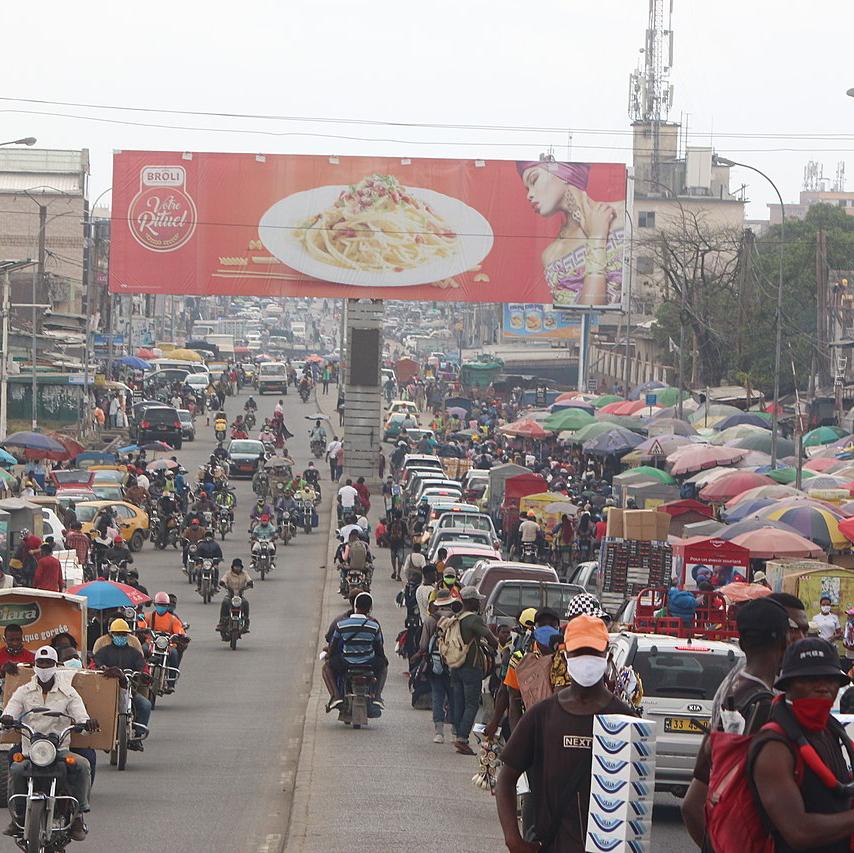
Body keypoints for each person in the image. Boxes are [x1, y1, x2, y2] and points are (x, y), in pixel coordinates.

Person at [496, 615, 636, 852]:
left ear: (607, 657)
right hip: (550, 845)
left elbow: (638, 793)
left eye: (593, 652)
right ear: (565, 656)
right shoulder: (541, 715)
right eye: (579, 652)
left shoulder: (625, 719)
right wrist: (513, 839)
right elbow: (506, 779)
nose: (586, 660)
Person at [681, 596, 791, 848]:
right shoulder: (762, 706)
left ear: (742, 642)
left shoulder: (731, 687)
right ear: (785, 641)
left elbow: (696, 792)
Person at [748, 637, 854, 853]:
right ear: (787, 685)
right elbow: (799, 831)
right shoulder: (774, 747)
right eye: (810, 678)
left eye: (830, 678)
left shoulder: (831, 731)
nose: (823, 686)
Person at [2, 646, 97, 840]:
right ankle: (17, 815)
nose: (44, 667)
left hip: (59, 749)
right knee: (17, 769)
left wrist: (86, 723)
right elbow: (10, 710)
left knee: (82, 765)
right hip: (31, 750)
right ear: (35, 665)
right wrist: (7, 719)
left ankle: (78, 816)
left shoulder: (68, 692)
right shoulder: (24, 691)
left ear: (55, 666)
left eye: (48, 663)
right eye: (41, 663)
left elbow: (81, 715)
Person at [448, 586, 498, 756]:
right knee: (472, 704)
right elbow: (492, 639)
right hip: (471, 667)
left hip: (455, 665)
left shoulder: (456, 617)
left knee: (459, 701)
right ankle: (462, 739)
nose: (479, 602)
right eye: (477, 600)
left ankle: (457, 733)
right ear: (471, 601)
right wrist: (494, 647)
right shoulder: (474, 619)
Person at [93, 618, 151, 751]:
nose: (121, 637)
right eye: (118, 634)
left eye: (123, 634)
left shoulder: (135, 653)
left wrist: (145, 675)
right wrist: (100, 669)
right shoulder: (104, 651)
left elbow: (143, 667)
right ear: (112, 634)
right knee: (96, 709)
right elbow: (93, 664)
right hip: (107, 692)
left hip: (129, 690)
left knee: (145, 705)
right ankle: (103, 736)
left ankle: (138, 736)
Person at [323, 592, 387, 711]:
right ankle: (377, 696)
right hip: (369, 663)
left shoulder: (341, 624)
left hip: (347, 663)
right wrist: (383, 660)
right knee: (383, 667)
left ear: (355, 606)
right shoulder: (374, 626)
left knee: (327, 667)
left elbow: (333, 647)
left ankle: (336, 696)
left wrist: (329, 656)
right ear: (370, 608)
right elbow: (379, 649)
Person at [145, 592, 187, 691]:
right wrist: (141, 628)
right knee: (142, 650)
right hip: (151, 643)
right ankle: (140, 675)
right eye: (159, 605)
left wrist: (181, 635)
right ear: (155, 605)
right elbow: (141, 624)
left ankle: (171, 683)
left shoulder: (173, 619)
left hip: (168, 645)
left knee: (174, 654)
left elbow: (179, 630)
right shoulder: (148, 616)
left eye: (163, 605)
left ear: (167, 606)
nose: (161, 607)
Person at [217, 559, 252, 633]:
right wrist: (223, 582)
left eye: (239, 567)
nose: (237, 568)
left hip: (240, 596)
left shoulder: (244, 573)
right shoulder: (228, 573)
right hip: (230, 595)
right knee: (225, 602)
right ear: (233, 567)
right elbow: (223, 579)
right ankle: (222, 622)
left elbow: (249, 579)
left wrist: (250, 583)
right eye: (236, 566)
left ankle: (246, 622)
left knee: (245, 603)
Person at [386, 512, 408, 581]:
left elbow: (387, 531)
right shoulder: (403, 524)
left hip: (393, 544)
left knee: (393, 558)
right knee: (400, 560)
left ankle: (394, 571)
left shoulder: (392, 523)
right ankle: (398, 574)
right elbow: (406, 533)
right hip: (400, 544)